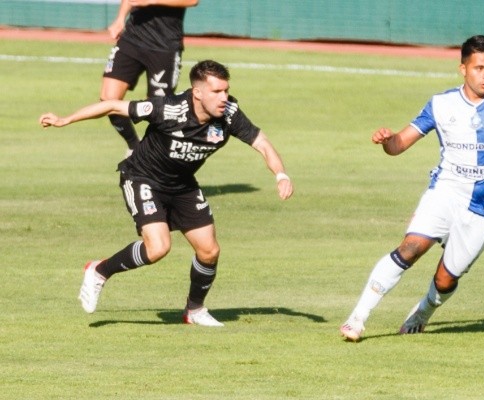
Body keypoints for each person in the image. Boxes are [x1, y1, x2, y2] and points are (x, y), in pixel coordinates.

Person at [39, 60, 294, 327]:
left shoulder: (230, 113)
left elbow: (262, 143)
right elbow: (113, 105)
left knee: (209, 251)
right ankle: (99, 271)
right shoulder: (168, 109)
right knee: (158, 248)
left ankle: (194, 310)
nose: (224, 98)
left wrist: (281, 175)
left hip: (182, 184)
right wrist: (65, 119)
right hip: (142, 178)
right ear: (197, 92)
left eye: (226, 90)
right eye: (216, 91)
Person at [340, 35, 484, 341]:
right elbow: (399, 145)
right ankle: (357, 319)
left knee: (445, 279)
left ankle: (423, 311)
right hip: (446, 192)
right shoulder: (441, 104)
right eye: (479, 68)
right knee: (410, 248)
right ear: (463, 68)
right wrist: (388, 140)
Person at [102, 0, 199, 156]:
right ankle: (134, 147)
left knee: (159, 109)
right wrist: (120, 19)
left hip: (164, 46)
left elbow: (192, 1)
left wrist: (151, 1)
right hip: (132, 38)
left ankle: (160, 156)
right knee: (108, 97)